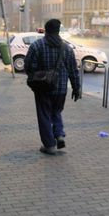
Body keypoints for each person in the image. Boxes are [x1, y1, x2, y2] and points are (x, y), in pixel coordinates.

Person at [24, 19, 81, 155]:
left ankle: (49, 145)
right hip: (61, 89)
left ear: (46, 30)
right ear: (58, 31)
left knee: (44, 115)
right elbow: (73, 71)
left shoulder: (37, 46)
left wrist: (36, 76)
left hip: (42, 87)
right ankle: (59, 134)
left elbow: (28, 66)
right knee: (56, 111)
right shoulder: (66, 48)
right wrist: (76, 87)